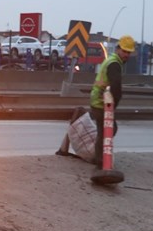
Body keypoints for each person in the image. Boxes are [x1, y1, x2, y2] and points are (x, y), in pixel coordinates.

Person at [56, 35, 136, 166]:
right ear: (118, 49)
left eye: (129, 52)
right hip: (102, 102)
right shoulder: (114, 64)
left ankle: (100, 157)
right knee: (107, 130)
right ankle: (100, 160)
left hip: (98, 100)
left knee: (105, 131)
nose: (127, 54)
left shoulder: (111, 60)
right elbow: (116, 86)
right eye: (125, 51)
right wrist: (112, 107)